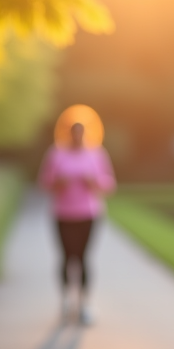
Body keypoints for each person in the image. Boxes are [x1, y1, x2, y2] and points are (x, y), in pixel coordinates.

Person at [38, 104, 116, 325]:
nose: (77, 136)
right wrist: (57, 182)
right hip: (63, 214)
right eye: (74, 132)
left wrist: (93, 182)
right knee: (65, 257)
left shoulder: (97, 153)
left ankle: (83, 304)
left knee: (83, 258)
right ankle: (65, 302)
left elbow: (109, 184)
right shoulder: (56, 153)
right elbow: (44, 183)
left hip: (88, 215)